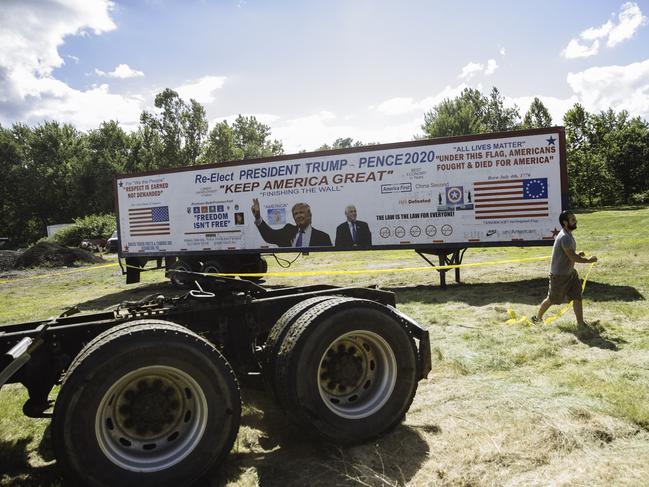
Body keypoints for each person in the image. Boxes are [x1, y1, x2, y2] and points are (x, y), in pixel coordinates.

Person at [533, 210, 597, 325]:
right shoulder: (564, 237)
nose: (575, 221)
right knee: (552, 299)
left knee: (577, 297)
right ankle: (537, 318)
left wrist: (577, 253)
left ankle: (581, 323)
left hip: (570, 273)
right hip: (559, 276)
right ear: (565, 222)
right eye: (572, 219)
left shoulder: (568, 234)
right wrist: (589, 260)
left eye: (575, 218)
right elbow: (572, 257)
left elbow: (570, 253)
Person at [251, 198, 332, 247]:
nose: (298, 216)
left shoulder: (323, 237)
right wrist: (258, 217)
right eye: (295, 214)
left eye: (301, 212)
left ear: (309, 215)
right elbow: (270, 236)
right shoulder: (288, 230)